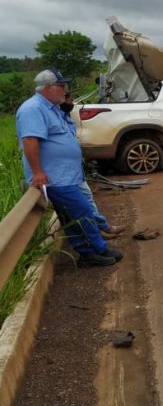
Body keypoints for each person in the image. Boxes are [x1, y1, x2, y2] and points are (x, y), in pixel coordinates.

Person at [16, 69, 123, 266]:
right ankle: (99, 248)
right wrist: (38, 172)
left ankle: (87, 253)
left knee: (72, 216)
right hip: (54, 177)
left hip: (66, 175)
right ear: (48, 88)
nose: (65, 91)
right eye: (61, 86)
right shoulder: (33, 109)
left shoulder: (51, 107)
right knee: (82, 212)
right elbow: (30, 140)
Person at [60, 94, 126, 240]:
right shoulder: (54, 117)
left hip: (75, 170)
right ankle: (99, 230)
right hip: (64, 173)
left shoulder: (65, 117)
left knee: (87, 198)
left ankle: (102, 227)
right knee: (83, 203)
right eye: (68, 99)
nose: (71, 102)